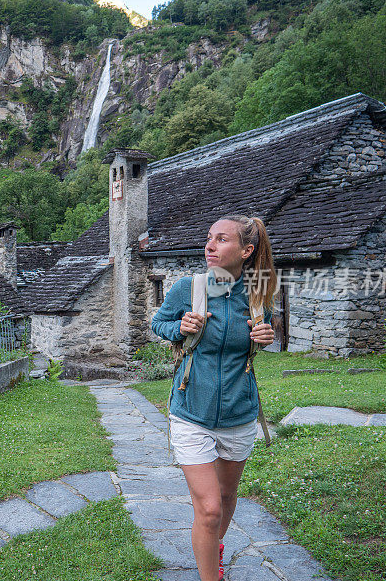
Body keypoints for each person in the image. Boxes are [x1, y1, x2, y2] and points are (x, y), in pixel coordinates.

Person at [150, 215, 277, 581]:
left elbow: (263, 334)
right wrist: (179, 327)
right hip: (192, 411)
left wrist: (266, 338)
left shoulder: (257, 292)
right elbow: (159, 323)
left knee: (224, 499)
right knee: (207, 510)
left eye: (221, 239)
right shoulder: (189, 287)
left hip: (239, 413)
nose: (209, 245)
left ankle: (212, 546)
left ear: (246, 251)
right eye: (209, 238)